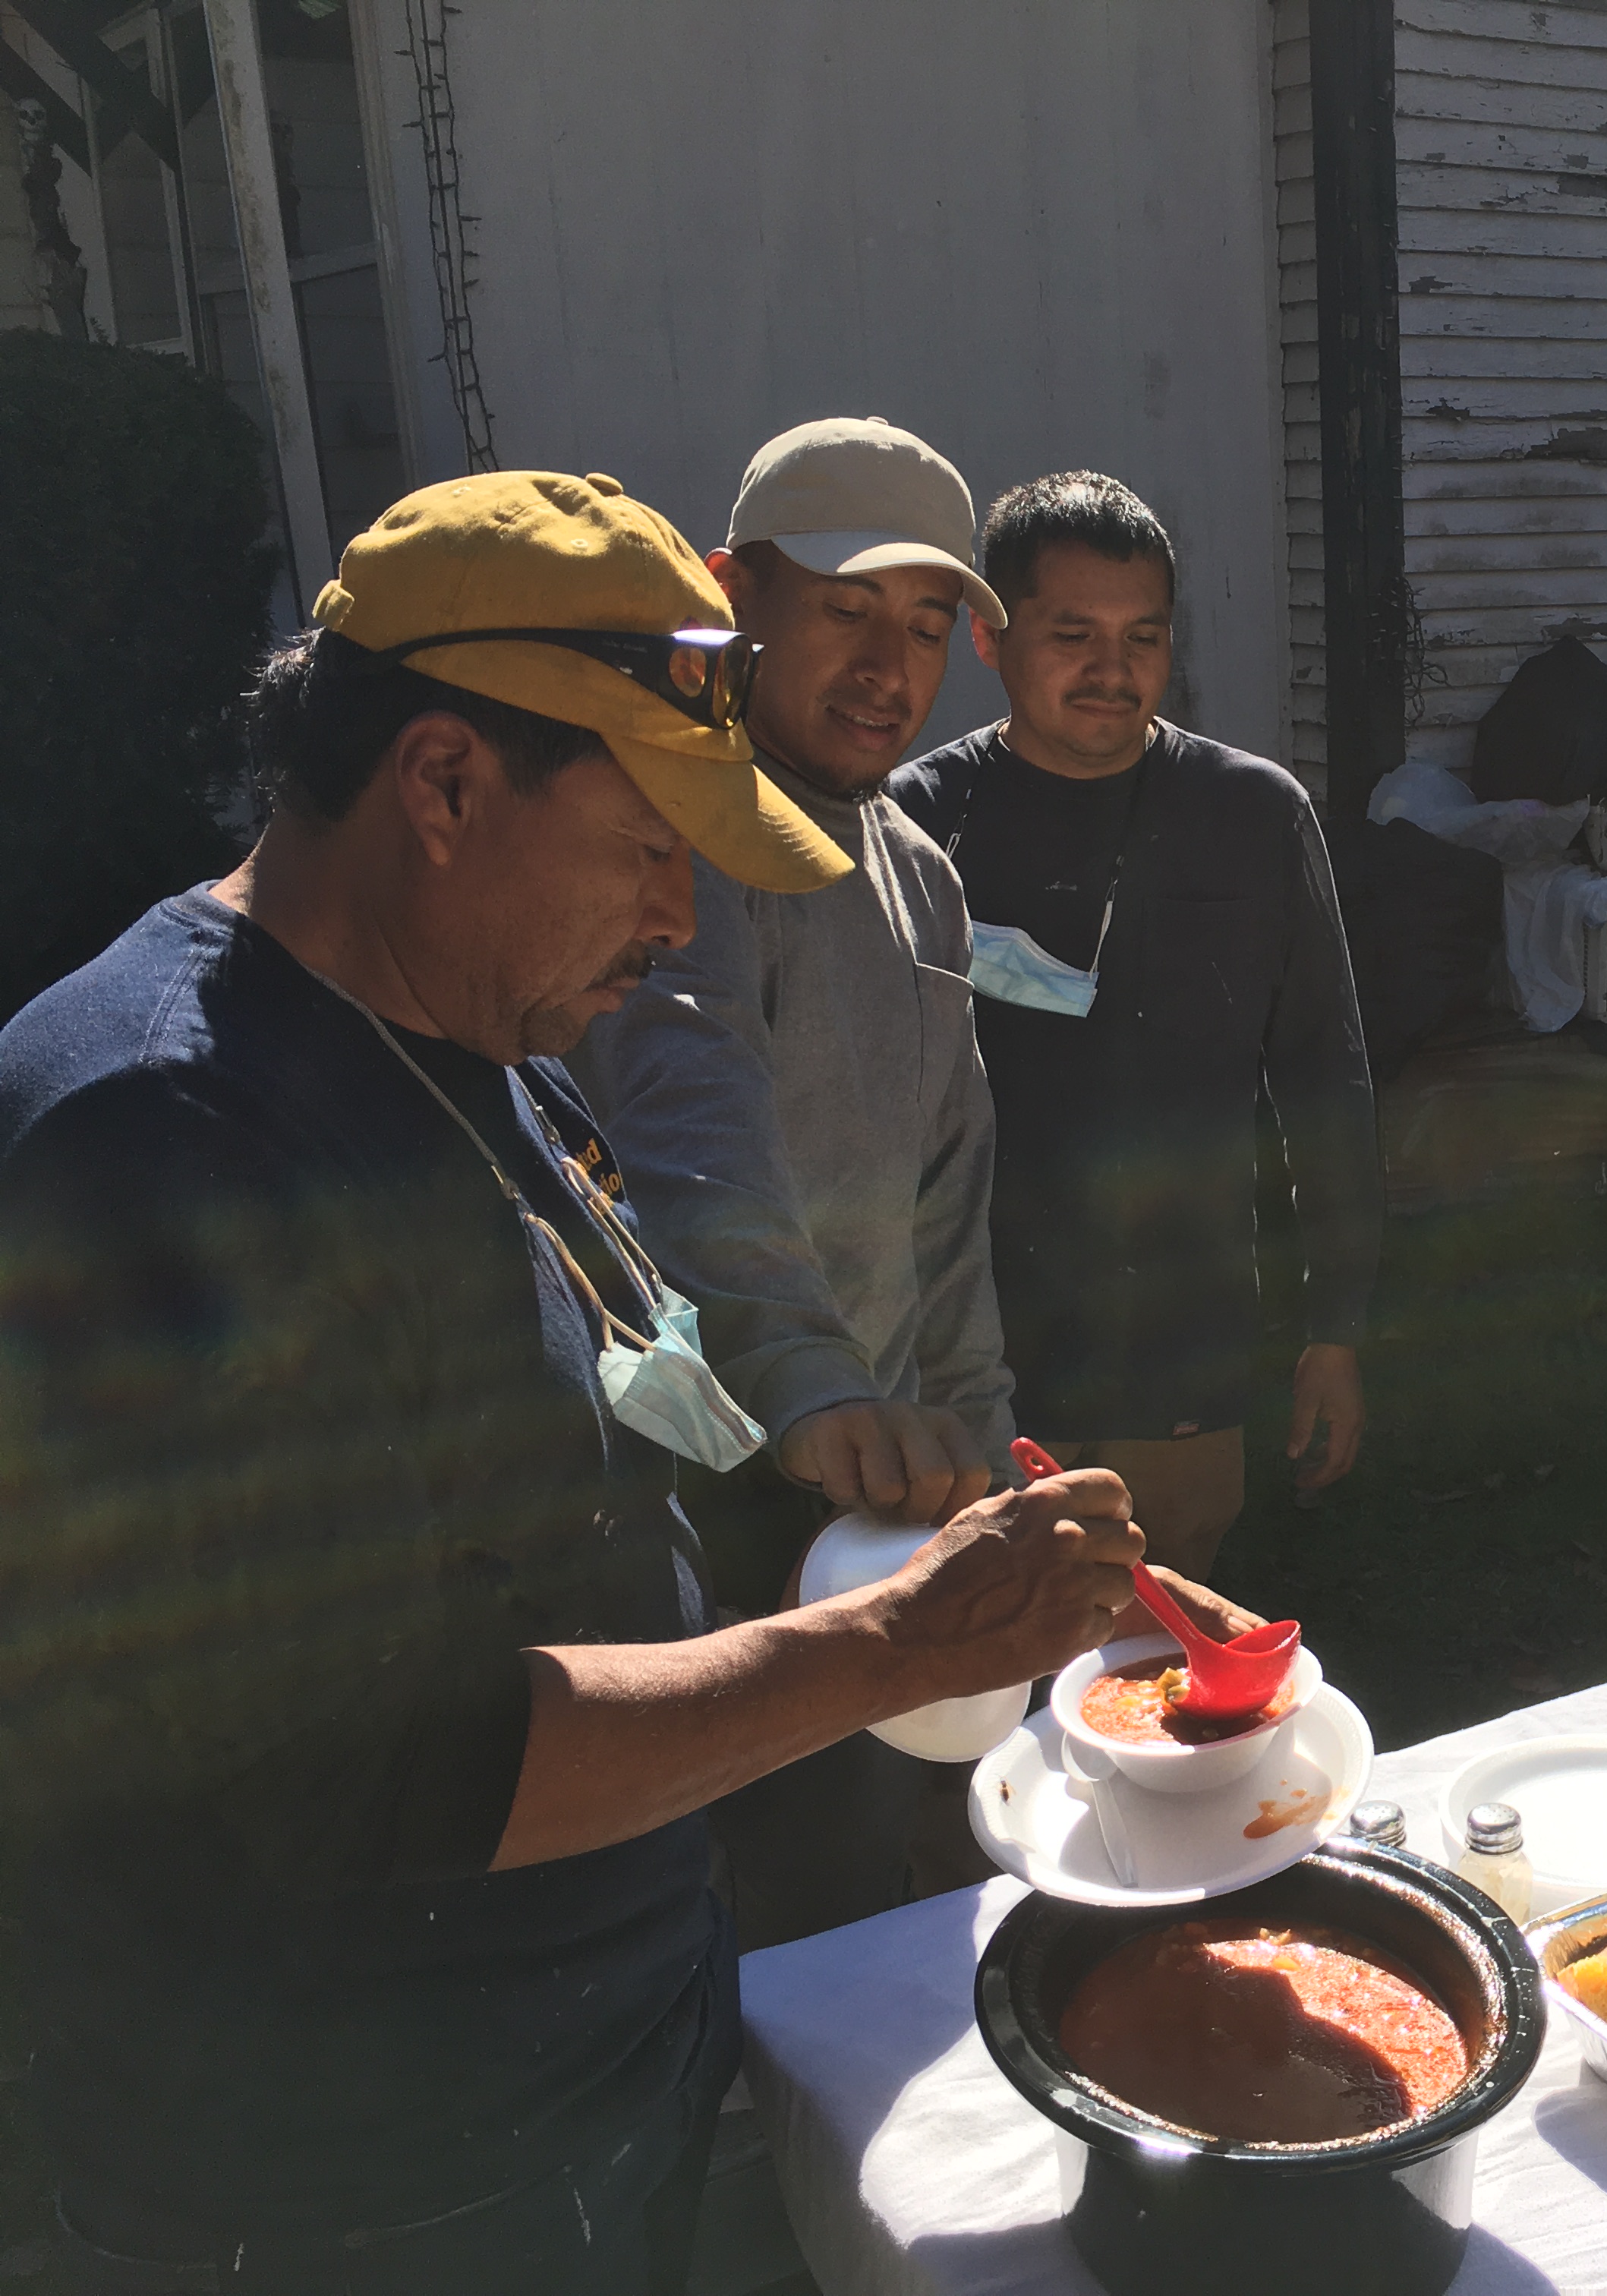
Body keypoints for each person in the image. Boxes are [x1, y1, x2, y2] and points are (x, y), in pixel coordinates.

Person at [0, 470, 1245, 2292]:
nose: (680, 922)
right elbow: (367, 1766)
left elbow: (617, 1440)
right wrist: (895, 1652)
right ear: (442, 783)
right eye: (654, 840)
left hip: (591, 2070)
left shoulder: (469, 1035)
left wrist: (968, 1567)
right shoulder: (173, 1144)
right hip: (347, 2192)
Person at [570, 418, 1022, 1941]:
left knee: (910, 1842)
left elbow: (949, 1193)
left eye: (927, 623)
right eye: (845, 608)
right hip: (713, 1481)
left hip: (885, 1484)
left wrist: (984, 1438)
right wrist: (820, 1393)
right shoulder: (672, 835)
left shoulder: (920, 868)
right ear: (732, 590)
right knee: (748, 1886)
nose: (890, 665)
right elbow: (691, 1137)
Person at [890, 472, 1379, 1582]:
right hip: (973, 1356)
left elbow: (1325, 1077)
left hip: (1184, 1357)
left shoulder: (1252, 817)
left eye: (1142, 636)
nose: (1113, 670)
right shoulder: (921, 824)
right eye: (1072, 634)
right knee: (982, 1663)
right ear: (989, 638)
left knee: (1164, 1653)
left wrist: (1334, 1325)